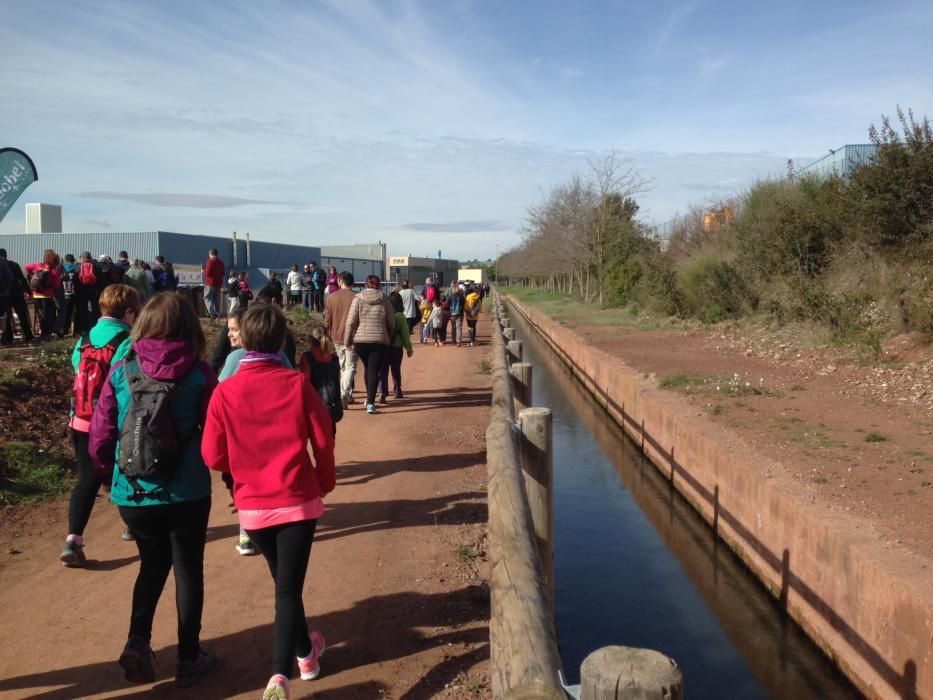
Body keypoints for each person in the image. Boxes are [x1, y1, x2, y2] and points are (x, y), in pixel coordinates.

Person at [202, 304, 335, 700]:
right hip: (297, 500)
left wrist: (241, 470)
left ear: (242, 339)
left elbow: (212, 454)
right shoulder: (296, 384)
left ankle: (307, 654)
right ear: (281, 341)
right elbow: (323, 438)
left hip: (253, 508)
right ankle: (280, 675)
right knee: (287, 589)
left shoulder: (225, 391)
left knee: (285, 584)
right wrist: (324, 481)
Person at [88, 292, 217, 688]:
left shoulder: (122, 368)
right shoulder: (199, 372)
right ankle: (189, 656)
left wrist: (113, 479)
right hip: (187, 491)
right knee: (188, 569)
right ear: (189, 325)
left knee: (152, 563)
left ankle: (137, 640)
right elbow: (215, 433)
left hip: (134, 493)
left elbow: (100, 436)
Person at [59, 284, 140, 567]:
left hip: (80, 420)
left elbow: (76, 368)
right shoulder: (127, 341)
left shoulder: (84, 338)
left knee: (87, 479)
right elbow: (126, 382)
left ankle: (73, 540)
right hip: (112, 421)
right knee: (125, 472)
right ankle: (134, 526)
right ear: (129, 311)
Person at [344, 274, 394, 414]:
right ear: (379, 285)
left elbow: (350, 322)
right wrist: (388, 337)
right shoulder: (385, 299)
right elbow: (391, 322)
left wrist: (348, 341)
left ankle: (369, 398)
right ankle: (371, 402)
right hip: (379, 340)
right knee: (373, 370)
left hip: (361, 341)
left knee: (368, 368)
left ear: (366, 285)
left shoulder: (358, 299)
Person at [299, 323, 343, 435]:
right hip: (332, 405)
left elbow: (304, 381)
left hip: (314, 406)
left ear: (310, 339)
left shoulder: (307, 358)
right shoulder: (334, 359)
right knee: (330, 436)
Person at [324, 271, 357, 408]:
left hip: (336, 335)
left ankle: (346, 394)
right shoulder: (356, 297)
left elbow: (327, 319)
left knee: (343, 365)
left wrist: (327, 334)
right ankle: (344, 394)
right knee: (350, 366)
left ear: (339, 281)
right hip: (353, 337)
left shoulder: (331, 297)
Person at [377, 291, 414, 401]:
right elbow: (405, 335)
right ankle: (397, 391)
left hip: (383, 345)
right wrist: (409, 349)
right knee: (396, 370)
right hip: (396, 347)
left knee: (383, 370)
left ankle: (382, 393)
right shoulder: (400, 316)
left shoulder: (383, 313)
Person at [25, 249, 63, 340]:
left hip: (36, 294)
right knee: (47, 315)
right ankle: (45, 334)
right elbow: (56, 285)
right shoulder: (54, 270)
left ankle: (43, 332)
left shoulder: (38, 266)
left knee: (42, 314)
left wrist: (31, 275)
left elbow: (26, 266)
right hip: (47, 295)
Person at [0, 248, 34, 345]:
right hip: (17, 293)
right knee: (22, 315)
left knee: (6, 317)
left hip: (4, 295)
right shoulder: (14, 264)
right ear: (6, 255)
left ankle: (8, 338)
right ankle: (28, 336)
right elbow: (22, 279)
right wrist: (28, 291)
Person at [74, 251, 103, 336]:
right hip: (94, 291)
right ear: (90, 258)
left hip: (82, 291)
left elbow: (75, 281)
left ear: (82, 258)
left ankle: (84, 328)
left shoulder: (78, 268)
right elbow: (101, 280)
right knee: (95, 309)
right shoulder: (97, 267)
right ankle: (95, 326)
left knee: (83, 310)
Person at [58, 254, 79, 337]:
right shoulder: (77, 268)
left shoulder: (61, 268)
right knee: (76, 312)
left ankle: (64, 330)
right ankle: (76, 330)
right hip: (76, 293)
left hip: (63, 294)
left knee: (64, 312)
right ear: (73, 260)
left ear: (65, 260)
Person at [202, 248, 225, 321]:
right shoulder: (221, 262)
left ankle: (213, 313)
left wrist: (203, 270)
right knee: (216, 300)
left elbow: (208, 273)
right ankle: (217, 316)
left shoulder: (210, 261)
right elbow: (223, 273)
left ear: (210, 254)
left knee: (207, 298)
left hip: (210, 283)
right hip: (218, 283)